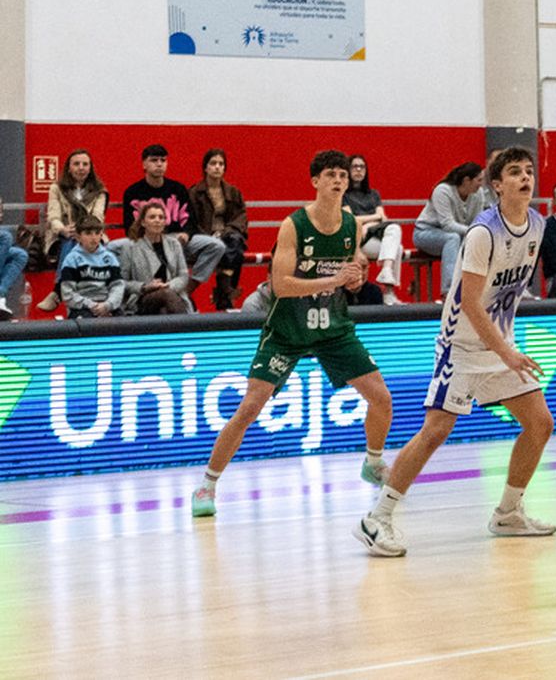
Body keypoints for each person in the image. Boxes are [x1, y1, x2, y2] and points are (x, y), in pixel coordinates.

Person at [356, 148, 554, 557]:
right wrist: (508, 352)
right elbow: (470, 303)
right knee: (436, 431)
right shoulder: (483, 232)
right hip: (462, 346)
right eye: (514, 172)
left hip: (499, 346)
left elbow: (509, 294)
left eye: (529, 171)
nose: (525, 177)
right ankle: (378, 517)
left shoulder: (537, 224)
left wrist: (506, 349)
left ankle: (508, 512)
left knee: (540, 424)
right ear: (496, 186)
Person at [192, 150, 392, 518]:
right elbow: (281, 286)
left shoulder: (353, 225)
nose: (338, 180)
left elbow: (350, 272)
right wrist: (334, 279)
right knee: (251, 406)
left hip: (332, 326)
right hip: (288, 328)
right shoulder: (294, 225)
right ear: (315, 181)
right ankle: (208, 483)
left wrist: (354, 278)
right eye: (331, 174)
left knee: (381, 398)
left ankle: (373, 462)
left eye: (343, 176)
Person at [119, 144, 226, 301]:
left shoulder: (178, 189)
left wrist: (186, 233)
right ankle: (131, 294)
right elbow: (129, 225)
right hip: (147, 241)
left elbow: (190, 219)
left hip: (177, 239)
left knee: (217, 246)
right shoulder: (133, 192)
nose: (159, 164)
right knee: (113, 248)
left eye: (163, 160)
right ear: (144, 164)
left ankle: (188, 288)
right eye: (154, 160)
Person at [40, 149, 110, 312]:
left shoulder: (100, 191)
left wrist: (82, 231)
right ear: (69, 167)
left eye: (85, 164)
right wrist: (63, 229)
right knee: (71, 241)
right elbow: (53, 216)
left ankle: (58, 290)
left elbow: (98, 217)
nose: (81, 167)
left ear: (90, 168)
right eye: (76, 164)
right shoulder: (56, 188)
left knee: (78, 241)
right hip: (63, 235)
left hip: (92, 233)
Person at [190, 149, 249, 310]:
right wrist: (209, 236)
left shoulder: (233, 192)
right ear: (205, 168)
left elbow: (240, 216)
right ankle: (225, 292)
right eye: (213, 163)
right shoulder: (195, 192)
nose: (217, 167)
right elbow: (192, 221)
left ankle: (223, 292)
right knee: (226, 247)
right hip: (204, 236)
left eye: (221, 164)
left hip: (228, 234)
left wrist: (226, 231)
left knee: (234, 242)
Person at [414, 162, 484, 295]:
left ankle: (479, 290)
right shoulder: (443, 191)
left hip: (459, 235)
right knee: (452, 238)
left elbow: (478, 221)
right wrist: (473, 232)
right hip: (425, 233)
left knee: (478, 242)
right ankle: (450, 290)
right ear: (466, 180)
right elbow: (447, 224)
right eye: (478, 180)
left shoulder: (479, 194)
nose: (481, 184)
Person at [345, 154, 405, 305]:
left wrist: (368, 225)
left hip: (372, 233)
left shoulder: (373, 194)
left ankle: (387, 276)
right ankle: (388, 289)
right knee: (395, 246)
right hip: (357, 240)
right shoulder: (344, 194)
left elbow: (383, 218)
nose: (359, 170)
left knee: (396, 242)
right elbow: (352, 220)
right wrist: (372, 219)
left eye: (362, 167)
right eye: (355, 166)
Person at [120, 202, 193, 314]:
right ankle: (188, 328)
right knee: (166, 294)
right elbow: (122, 283)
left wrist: (169, 285)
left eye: (161, 217)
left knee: (164, 310)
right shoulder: (130, 247)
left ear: (165, 222)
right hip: (143, 298)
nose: (157, 220)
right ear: (143, 222)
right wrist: (145, 287)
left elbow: (183, 276)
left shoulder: (174, 244)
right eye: (152, 217)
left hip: (172, 295)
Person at [57, 216, 123, 319]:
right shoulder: (71, 260)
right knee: (89, 325)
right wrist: (91, 305)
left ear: (101, 235)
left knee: (125, 324)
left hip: (107, 304)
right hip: (81, 308)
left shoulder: (110, 258)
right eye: (88, 233)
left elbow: (118, 286)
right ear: (78, 237)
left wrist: (107, 305)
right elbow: (68, 294)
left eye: (97, 233)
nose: (93, 237)